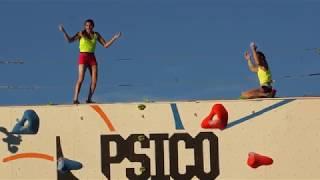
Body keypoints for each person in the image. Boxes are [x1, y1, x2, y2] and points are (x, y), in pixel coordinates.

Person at [59, 19, 121, 104]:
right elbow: (70, 40)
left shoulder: (96, 35)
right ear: (85, 26)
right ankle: (75, 99)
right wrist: (64, 31)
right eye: (87, 25)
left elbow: (105, 45)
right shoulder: (80, 33)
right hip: (83, 56)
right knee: (81, 78)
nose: (88, 27)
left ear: (93, 26)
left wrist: (114, 38)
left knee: (94, 80)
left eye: (90, 25)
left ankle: (89, 99)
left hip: (92, 57)